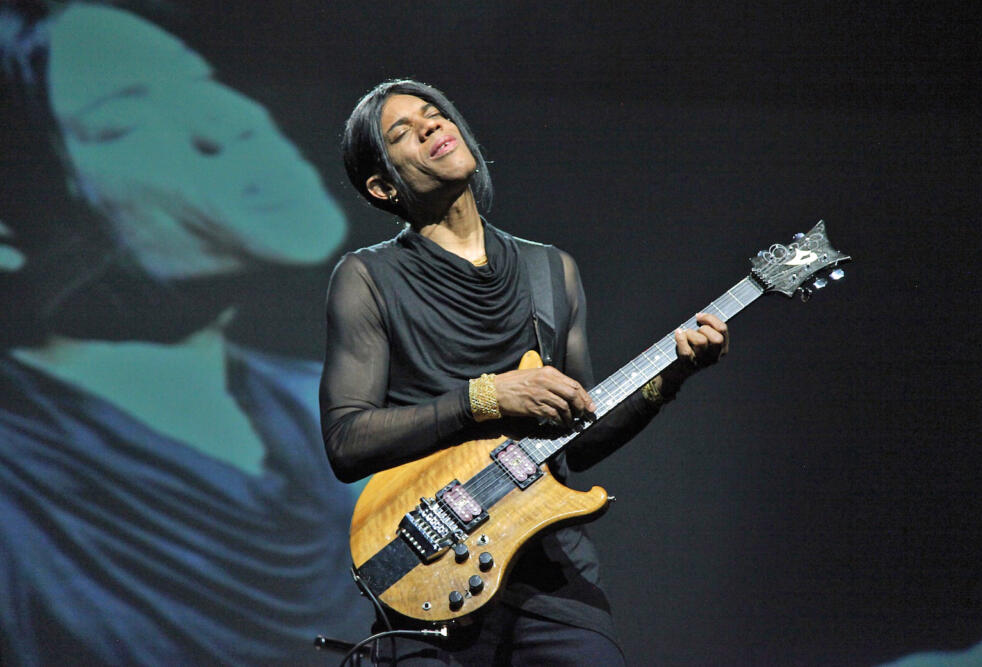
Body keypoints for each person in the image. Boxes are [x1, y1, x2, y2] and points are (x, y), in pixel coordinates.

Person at [0, 3, 366, 663]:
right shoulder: (18, 491)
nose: (232, 122)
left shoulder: (326, 406)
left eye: (200, 80)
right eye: (124, 119)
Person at [321, 79, 730, 665]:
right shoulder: (367, 278)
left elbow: (580, 437)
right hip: (433, 570)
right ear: (383, 185)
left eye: (434, 115)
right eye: (402, 133)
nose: (432, 127)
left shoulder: (550, 270)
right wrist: (486, 398)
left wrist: (670, 379)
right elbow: (346, 440)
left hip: (555, 580)